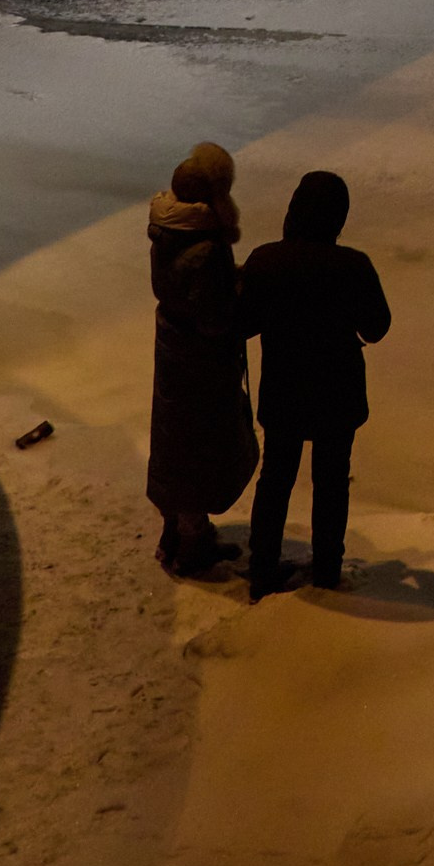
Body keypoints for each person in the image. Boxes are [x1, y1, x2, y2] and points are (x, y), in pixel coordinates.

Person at [240, 170, 391, 600]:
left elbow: (243, 322)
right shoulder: (353, 265)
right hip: (336, 394)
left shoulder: (266, 259)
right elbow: (377, 326)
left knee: (275, 480)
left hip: (284, 389)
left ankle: (262, 570)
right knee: (331, 483)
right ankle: (326, 571)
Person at [145, 141, 258, 576]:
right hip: (200, 360)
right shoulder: (207, 247)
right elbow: (214, 320)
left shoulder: (169, 230)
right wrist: (240, 292)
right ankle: (192, 546)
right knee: (199, 446)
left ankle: (176, 530)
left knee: (176, 443)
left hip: (173, 349)